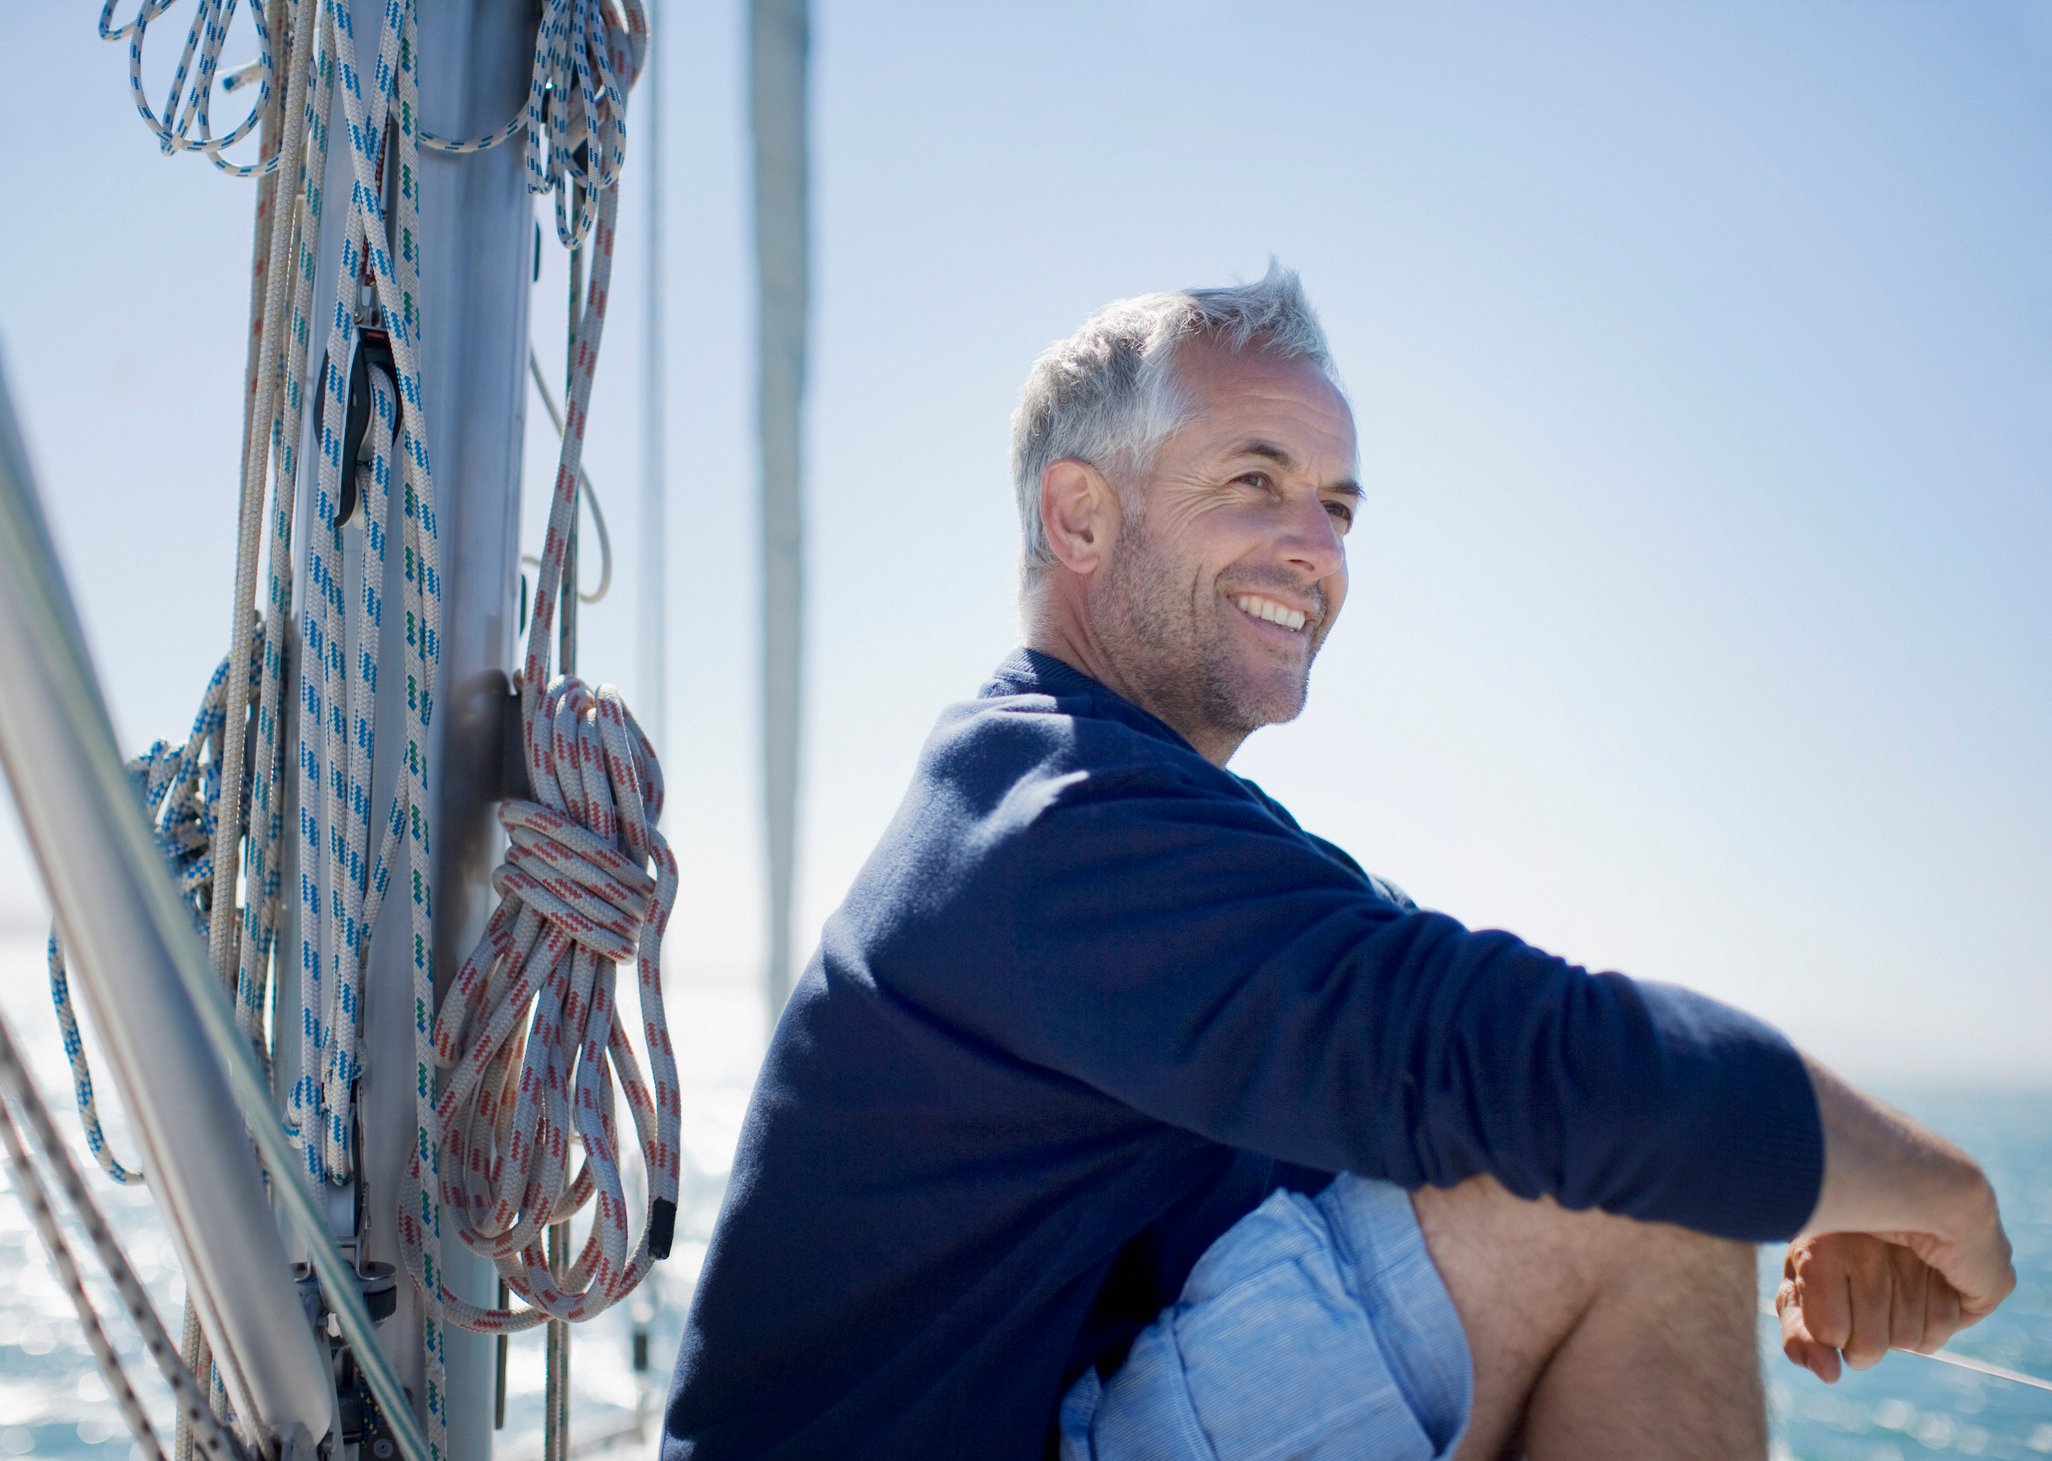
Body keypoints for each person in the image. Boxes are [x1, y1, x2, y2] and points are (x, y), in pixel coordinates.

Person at [662, 267, 2014, 1459]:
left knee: (1618, 1161)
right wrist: (1928, 1191)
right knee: (1631, 1195)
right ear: (1077, 519)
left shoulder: (1158, 828)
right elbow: (1539, 1065)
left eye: (1338, 506)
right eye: (1254, 480)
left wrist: (1803, 1178)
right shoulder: (1059, 825)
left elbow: (1454, 1063)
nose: (1316, 550)